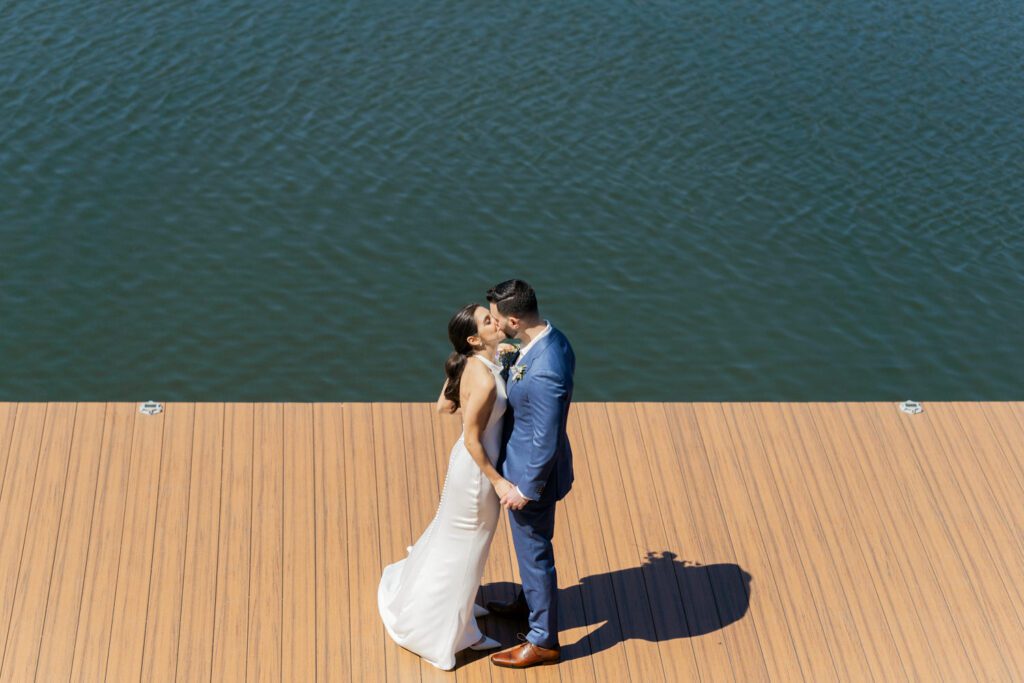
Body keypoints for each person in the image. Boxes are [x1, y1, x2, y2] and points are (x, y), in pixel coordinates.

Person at [377, 303, 511, 670]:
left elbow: (442, 406)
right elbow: (472, 439)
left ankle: (459, 609)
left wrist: (499, 356)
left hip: (465, 470)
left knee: (455, 544)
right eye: (488, 321)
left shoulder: (469, 363)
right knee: (468, 552)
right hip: (478, 476)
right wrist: (498, 482)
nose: (495, 321)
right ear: (473, 338)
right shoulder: (482, 378)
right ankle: (455, 634)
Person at [484, 279, 575, 669]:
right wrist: (509, 364)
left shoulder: (545, 372)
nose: (492, 322)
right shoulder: (550, 341)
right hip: (527, 465)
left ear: (515, 319)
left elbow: (546, 437)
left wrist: (527, 488)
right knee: (530, 551)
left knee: (535, 553)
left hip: (530, 477)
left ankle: (542, 640)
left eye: (496, 318)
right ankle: (529, 601)